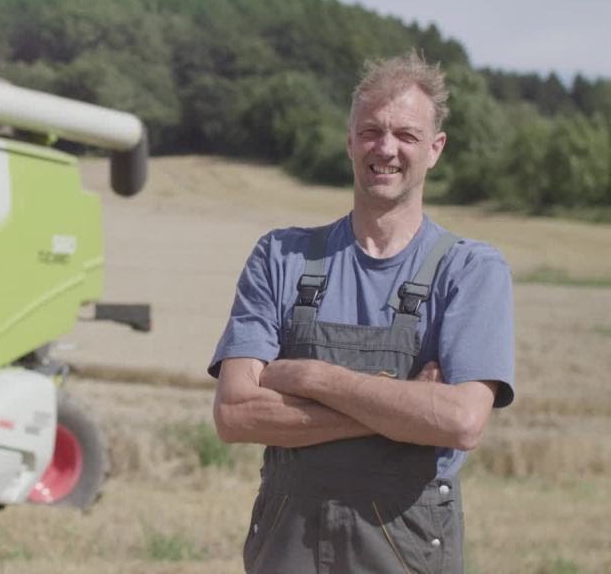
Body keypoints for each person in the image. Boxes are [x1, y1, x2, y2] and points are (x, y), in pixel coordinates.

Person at [209, 52, 515, 573]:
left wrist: (310, 375)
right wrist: (405, 409)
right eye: (371, 131)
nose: (386, 148)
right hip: (288, 550)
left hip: (406, 553)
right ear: (349, 140)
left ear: (435, 149)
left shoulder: (469, 270)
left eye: (406, 135)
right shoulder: (282, 257)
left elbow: (462, 421)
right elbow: (235, 414)